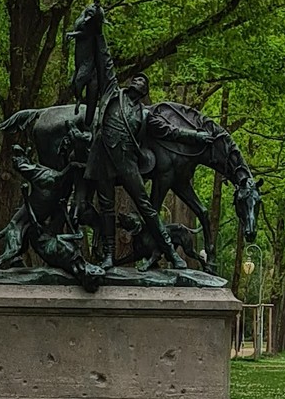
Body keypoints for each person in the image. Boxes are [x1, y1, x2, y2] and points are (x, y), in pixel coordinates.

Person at [85, 73, 212, 270]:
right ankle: (108, 255)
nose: (138, 80)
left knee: (147, 208)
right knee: (106, 208)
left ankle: (171, 253)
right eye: (136, 78)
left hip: (128, 162)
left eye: (143, 81)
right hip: (103, 160)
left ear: (145, 91)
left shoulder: (145, 115)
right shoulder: (113, 94)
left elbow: (170, 131)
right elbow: (104, 60)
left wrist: (196, 136)